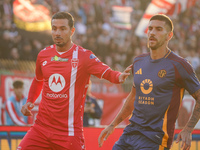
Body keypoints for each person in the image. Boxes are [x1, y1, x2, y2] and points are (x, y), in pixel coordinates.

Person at [18, 11, 132, 150]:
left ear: (72, 31)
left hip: (69, 133)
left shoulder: (84, 56)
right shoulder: (43, 55)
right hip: (41, 128)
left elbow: (106, 72)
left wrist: (119, 76)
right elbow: (38, 80)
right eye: (54, 29)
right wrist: (30, 101)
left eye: (62, 28)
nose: (57, 33)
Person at [98, 14, 200, 150]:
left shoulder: (179, 65)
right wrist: (112, 125)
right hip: (130, 133)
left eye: (158, 29)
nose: (152, 32)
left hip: (155, 139)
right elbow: (133, 97)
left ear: (169, 36)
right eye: (150, 28)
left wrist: (188, 129)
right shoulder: (138, 61)